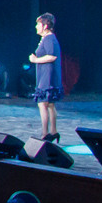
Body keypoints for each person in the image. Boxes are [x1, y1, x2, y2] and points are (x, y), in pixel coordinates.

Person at [28, 13, 62, 141]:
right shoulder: (47, 38)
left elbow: (52, 56)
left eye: (38, 24)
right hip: (46, 75)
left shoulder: (49, 39)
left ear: (45, 25)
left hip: (47, 76)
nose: (36, 26)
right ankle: (53, 132)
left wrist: (35, 60)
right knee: (49, 104)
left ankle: (45, 133)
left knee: (43, 104)